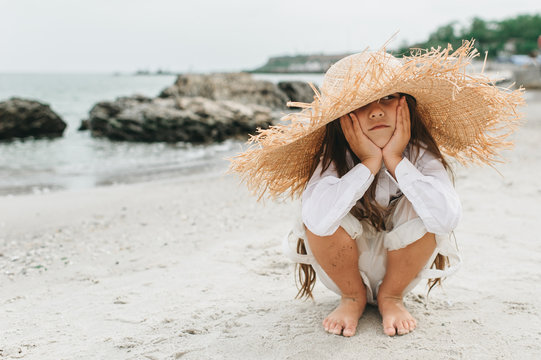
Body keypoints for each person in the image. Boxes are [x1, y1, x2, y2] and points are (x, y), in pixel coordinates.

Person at [229, 41, 524, 338]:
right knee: (321, 209)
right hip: (343, 268)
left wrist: (395, 162)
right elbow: (317, 221)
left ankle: (391, 297)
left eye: (387, 98)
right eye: (361, 104)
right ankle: (353, 298)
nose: (376, 112)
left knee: (427, 205)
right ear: (343, 118)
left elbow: (447, 218)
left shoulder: (420, 153)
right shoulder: (332, 157)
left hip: (402, 270)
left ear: (405, 105)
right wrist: (369, 164)